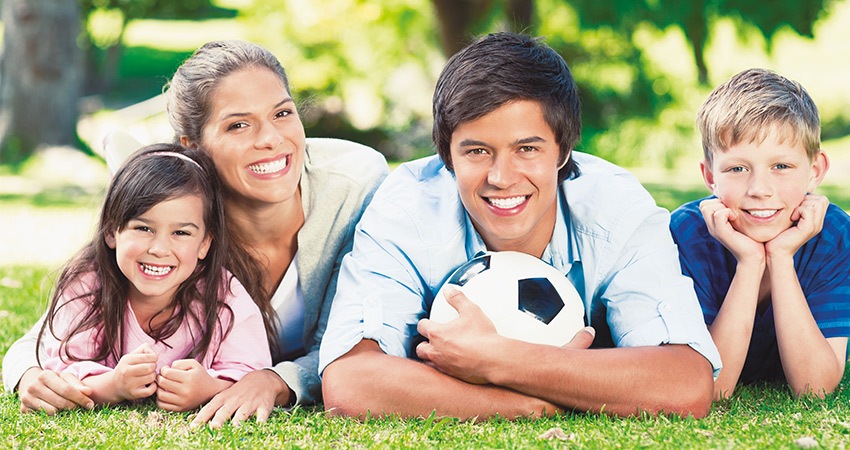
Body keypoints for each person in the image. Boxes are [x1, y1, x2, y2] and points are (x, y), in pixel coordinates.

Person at [319, 32, 721, 420]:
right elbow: (351, 381)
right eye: (477, 151)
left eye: (527, 149)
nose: (501, 177)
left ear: (563, 150)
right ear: (447, 157)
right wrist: (533, 405)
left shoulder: (616, 209)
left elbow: (685, 382)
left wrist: (497, 359)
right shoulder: (406, 209)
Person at [3, 40, 389, 425]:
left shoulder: (354, 186)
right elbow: (58, 325)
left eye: (282, 113)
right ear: (194, 145)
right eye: (238, 124)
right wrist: (30, 376)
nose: (270, 138)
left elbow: (356, 339)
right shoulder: (174, 213)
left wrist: (276, 381)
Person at [36, 144, 271, 410]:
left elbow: (252, 374)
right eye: (143, 228)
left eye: (181, 233)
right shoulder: (87, 285)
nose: (159, 249)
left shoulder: (225, 295)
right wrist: (113, 385)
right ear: (112, 231)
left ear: (205, 243)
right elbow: (61, 373)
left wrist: (209, 389)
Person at [670, 68, 849, 400]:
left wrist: (781, 258)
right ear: (710, 176)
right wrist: (750, 263)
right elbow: (710, 388)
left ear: (815, 171)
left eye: (781, 166)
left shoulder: (834, 235)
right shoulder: (686, 234)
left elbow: (815, 388)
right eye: (737, 169)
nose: (760, 190)